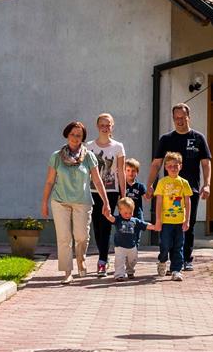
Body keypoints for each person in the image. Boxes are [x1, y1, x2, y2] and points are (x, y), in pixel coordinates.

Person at [40, 121, 111, 285]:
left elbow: (98, 181)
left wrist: (106, 202)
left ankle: (81, 259)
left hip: (82, 201)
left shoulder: (88, 156)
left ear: (83, 138)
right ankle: (67, 272)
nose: (75, 138)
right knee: (64, 238)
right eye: (72, 134)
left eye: (78, 135)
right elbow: (50, 182)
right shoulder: (56, 156)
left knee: (82, 236)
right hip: (60, 201)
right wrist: (44, 202)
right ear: (67, 135)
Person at [146, 103, 211, 271]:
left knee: (187, 224)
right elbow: (156, 164)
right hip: (168, 193)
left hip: (190, 191)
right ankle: (169, 259)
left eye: (182, 118)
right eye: (176, 118)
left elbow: (206, 164)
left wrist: (207, 184)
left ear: (188, 117)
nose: (179, 121)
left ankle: (186, 259)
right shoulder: (166, 139)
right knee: (168, 226)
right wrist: (150, 184)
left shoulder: (198, 138)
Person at [86, 113, 126, 277]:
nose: (105, 127)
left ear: (112, 126)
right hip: (93, 191)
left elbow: (121, 172)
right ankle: (103, 256)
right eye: (102, 125)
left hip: (111, 191)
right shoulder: (89, 146)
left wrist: (123, 195)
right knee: (97, 225)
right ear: (97, 126)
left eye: (108, 125)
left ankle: (102, 260)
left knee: (107, 224)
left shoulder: (118, 147)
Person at [153, 152, 192, 281]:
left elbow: (187, 202)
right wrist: (158, 220)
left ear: (180, 166)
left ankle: (176, 270)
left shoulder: (184, 183)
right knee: (165, 244)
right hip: (165, 221)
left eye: (176, 165)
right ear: (166, 167)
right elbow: (158, 202)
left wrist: (187, 220)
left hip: (179, 221)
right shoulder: (162, 182)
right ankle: (163, 261)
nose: (173, 168)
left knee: (178, 246)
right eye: (170, 166)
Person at [105, 197, 160, 280]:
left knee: (133, 260)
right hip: (120, 246)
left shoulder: (135, 220)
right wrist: (108, 215)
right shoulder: (118, 219)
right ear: (120, 211)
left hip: (132, 246)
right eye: (125, 213)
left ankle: (130, 271)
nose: (128, 215)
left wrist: (154, 227)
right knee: (119, 260)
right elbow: (111, 219)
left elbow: (145, 225)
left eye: (130, 213)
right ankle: (119, 275)